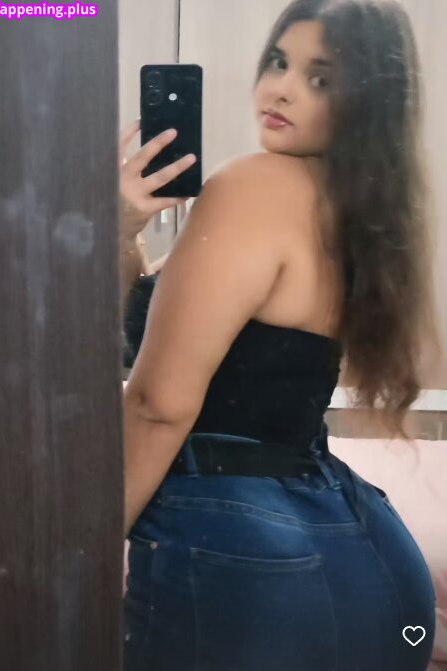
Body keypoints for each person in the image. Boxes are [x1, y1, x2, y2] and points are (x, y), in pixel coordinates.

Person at [119, 1, 441, 669]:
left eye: (320, 78)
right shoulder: (354, 210)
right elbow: (158, 325)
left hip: (246, 550)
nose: (282, 89)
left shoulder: (252, 186)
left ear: (366, 100)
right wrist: (122, 231)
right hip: (364, 552)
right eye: (278, 62)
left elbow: (158, 402)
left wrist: (81, 548)